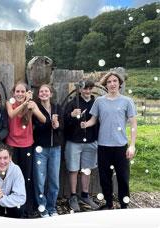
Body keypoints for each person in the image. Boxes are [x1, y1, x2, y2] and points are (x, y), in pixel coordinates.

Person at [81, 71, 137, 210]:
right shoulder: (100, 101)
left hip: (120, 146)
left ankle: (124, 205)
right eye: (109, 82)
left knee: (123, 178)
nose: (112, 84)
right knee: (105, 178)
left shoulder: (127, 101)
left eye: (115, 81)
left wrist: (132, 145)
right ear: (106, 85)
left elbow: (133, 124)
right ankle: (109, 204)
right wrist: (85, 124)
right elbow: (93, 120)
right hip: (103, 146)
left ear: (119, 84)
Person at [5, 81, 46, 217]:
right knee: (12, 177)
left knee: (26, 178)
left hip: (27, 145)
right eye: (18, 91)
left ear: (26, 92)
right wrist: (25, 102)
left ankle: (27, 208)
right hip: (12, 145)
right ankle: (13, 209)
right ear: (14, 92)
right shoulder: (9, 102)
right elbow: (12, 115)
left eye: (23, 91)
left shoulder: (31, 104)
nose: (20, 94)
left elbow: (43, 119)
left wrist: (32, 106)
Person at [64, 80, 99, 212]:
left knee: (86, 169)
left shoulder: (96, 103)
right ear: (80, 90)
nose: (87, 91)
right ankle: (73, 196)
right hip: (74, 141)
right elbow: (64, 122)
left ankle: (85, 195)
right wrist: (72, 116)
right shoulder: (73, 104)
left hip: (90, 141)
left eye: (90, 88)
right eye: (85, 89)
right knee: (73, 169)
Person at [32, 84, 63, 217]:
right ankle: (42, 208)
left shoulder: (57, 107)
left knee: (54, 180)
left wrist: (58, 126)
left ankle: (52, 207)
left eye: (46, 91)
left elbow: (63, 126)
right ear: (38, 95)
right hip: (40, 149)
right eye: (41, 92)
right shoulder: (35, 108)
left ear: (51, 94)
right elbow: (36, 128)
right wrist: (50, 124)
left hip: (55, 148)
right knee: (39, 180)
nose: (44, 93)